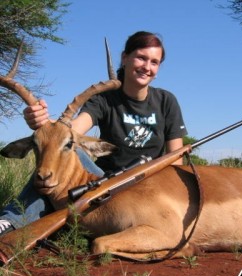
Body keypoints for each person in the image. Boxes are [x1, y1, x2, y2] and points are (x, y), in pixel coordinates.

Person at [0, 31, 187, 236]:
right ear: (125, 58)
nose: (147, 67)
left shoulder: (166, 101)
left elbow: (175, 160)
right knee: (64, 146)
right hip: (104, 180)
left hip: (148, 183)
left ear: (158, 68)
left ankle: (33, 220)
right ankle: (10, 221)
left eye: (154, 62)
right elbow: (68, 132)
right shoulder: (103, 99)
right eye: (141, 58)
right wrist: (41, 121)